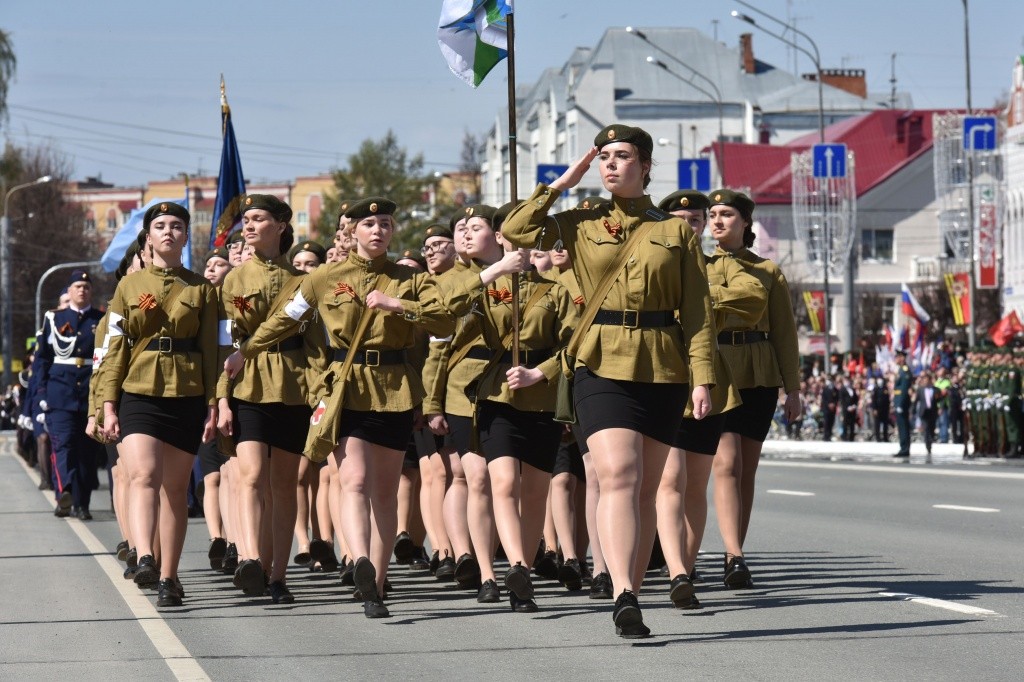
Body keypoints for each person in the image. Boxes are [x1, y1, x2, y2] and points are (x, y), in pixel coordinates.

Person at [502, 124, 717, 638]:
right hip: (599, 362)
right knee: (618, 474)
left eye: (622, 156)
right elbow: (515, 228)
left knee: (644, 489)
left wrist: (703, 378)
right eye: (603, 158)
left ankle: (634, 589)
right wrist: (564, 179)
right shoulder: (578, 222)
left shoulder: (674, 232)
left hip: (662, 366)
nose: (611, 165)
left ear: (645, 165)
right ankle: (622, 590)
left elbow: (698, 313)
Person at [225, 197, 454, 619]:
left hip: (396, 388)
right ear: (351, 232)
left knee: (384, 493)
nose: (378, 230)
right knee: (353, 480)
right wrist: (248, 351)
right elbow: (285, 318)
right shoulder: (324, 278)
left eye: (386, 223)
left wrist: (397, 305)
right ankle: (360, 559)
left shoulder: (409, 279)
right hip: (345, 388)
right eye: (369, 224)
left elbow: (444, 322)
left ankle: (377, 584)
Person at [444, 204, 578, 612]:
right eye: (511, 232)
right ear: (501, 239)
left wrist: (542, 373)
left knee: (535, 491)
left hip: (540, 398)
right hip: (496, 397)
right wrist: (495, 272)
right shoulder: (481, 284)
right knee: (501, 482)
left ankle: (526, 563)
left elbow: (575, 344)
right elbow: (446, 311)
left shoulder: (557, 291)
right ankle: (513, 566)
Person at [98, 202, 219, 608]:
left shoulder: (201, 288)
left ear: (187, 236)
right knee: (145, 474)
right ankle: (145, 555)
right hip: (139, 390)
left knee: (173, 490)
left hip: (185, 393)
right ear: (147, 237)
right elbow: (114, 350)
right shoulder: (128, 288)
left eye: (177, 226)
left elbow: (210, 353)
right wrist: (108, 404)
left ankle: (170, 576)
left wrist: (213, 404)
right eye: (160, 226)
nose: (169, 232)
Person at [654, 189, 766, 609]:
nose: (689, 224)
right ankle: (675, 570)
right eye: (679, 218)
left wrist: (698, 300)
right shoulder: (650, 263)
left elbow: (753, 297)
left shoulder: (717, 265)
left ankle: (685, 564)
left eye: (695, 219)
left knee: (695, 485)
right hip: (659, 377)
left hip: (707, 383)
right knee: (668, 480)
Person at [216, 194, 324, 604]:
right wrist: (222, 399)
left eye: (258, 219)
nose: (248, 226)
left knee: (284, 484)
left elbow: (316, 345)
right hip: (247, 385)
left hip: (294, 386)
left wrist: (319, 393)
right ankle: (250, 557)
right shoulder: (233, 281)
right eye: (246, 220)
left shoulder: (303, 281)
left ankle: (277, 574)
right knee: (251, 475)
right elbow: (225, 346)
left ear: (281, 225)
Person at [706, 189, 801, 590]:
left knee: (746, 469)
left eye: (726, 214)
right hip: (716, 370)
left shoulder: (768, 271)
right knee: (726, 463)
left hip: (759, 373)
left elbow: (784, 333)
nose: (717, 221)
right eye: (712, 215)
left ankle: (734, 552)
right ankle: (736, 555)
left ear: (745, 222)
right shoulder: (696, 265)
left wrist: (792, 389)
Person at [36, 269, 105, 519]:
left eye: (86, 287)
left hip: (90, 392)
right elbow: (42, 359)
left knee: (87, 452)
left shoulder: (101, 319)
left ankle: (82, 503)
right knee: (64, 445)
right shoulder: (54, 319)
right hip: (60, 393)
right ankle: (64, 491)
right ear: (69, 291)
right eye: (77, 287)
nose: (82, 290)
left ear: (91, 291)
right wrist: (41, 392)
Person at [893, 349, 914, 457]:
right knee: (901, 426)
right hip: (898, 401)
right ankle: (903, 447)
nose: (896, 359)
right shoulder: (901, 370)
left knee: (903, 426)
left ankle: (905, 449)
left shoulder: (905, 370)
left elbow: (905, 389)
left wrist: (900, 404)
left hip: (902, 402)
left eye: (897, 357)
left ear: (902, 358)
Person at [915, 371, 938, 457]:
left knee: (931, 429)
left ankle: (930, 441)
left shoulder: (935, 389)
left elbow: (939, 400)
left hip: (932, 412)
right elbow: (916, 401)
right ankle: (928, 445)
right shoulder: (920, 390)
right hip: (924, 412)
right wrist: (912, 410)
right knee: (926, 429)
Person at [871, 375, 891, 442]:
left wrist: (888, 408)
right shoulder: (875, 389)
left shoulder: (885, 388)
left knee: (885, 424)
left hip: (885, 409)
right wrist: (874, 409)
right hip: (878, 409)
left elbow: (887, 399)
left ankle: (885, 437)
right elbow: (873, 400)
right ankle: (878, 438)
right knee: (877, 424)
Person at [838, 375, 858, 442]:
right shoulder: (842, 389)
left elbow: (856, 398)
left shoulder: (853, 389)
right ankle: (844, 436)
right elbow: (842, 400)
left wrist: (854, 406)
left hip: (852, 408)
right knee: (845, 423)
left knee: (852, 423)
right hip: (846, 409)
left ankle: (851, 437)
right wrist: (847, 407)